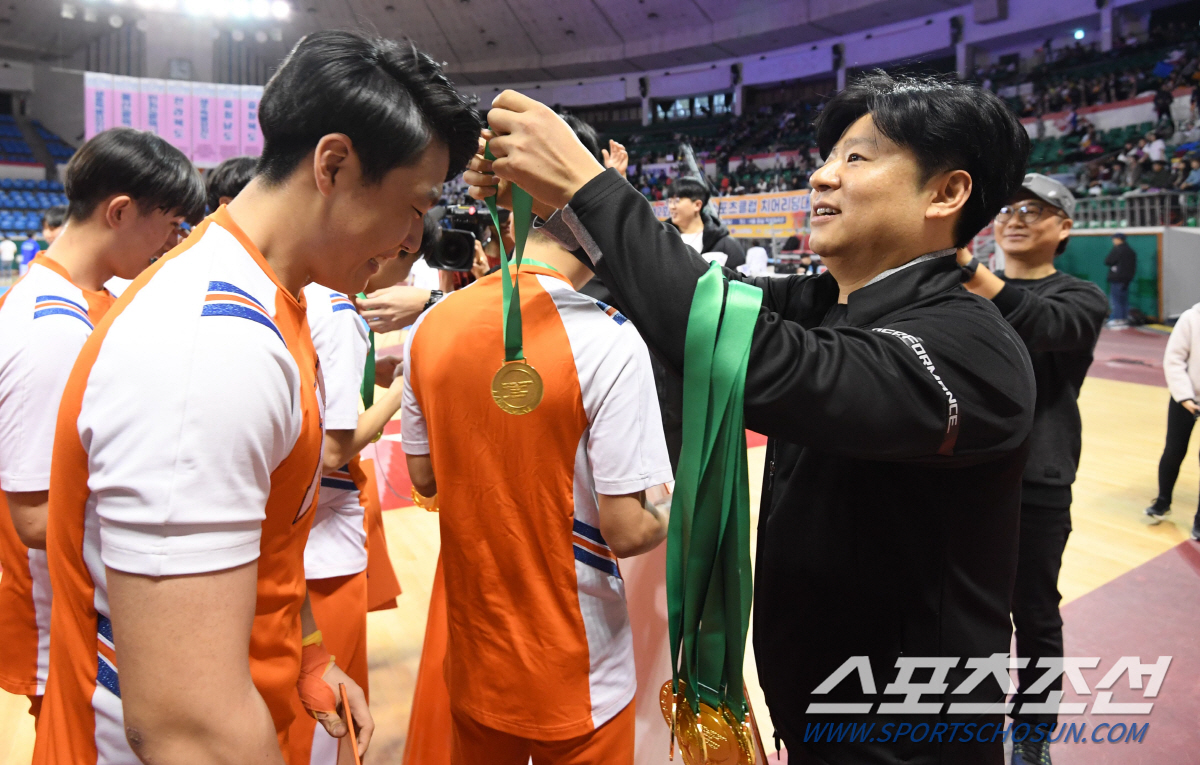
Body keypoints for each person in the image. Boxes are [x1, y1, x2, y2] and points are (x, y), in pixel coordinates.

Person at [469, 71, 1038, 764]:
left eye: (856, 158)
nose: (823, 177)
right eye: (825, 159)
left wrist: (589, 186)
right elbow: (680, 292)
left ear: (947, 192)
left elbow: (745, 349)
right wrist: (555, 207)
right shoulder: (833, 302)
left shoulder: (974, 348)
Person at [33, 31, 480, 765]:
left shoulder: (272, 300)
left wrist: (306, 649)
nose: (412, 237)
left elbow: (271, 536)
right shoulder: (208, 348)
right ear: (333, 165)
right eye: (413, 205)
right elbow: (187, 724)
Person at [401, 133, 674, 762]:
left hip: (476, 660)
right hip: (579, 672)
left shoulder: (430, 325)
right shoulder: (607, 337)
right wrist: (682, 494)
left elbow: (426, 479)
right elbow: (630, 529)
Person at [0, 128, 204, 736]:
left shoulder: (81, 298)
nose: (172, 244)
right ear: (119, 212)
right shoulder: (51, 326)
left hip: (78, 605)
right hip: (58, 613)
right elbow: (35, 518)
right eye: (169, 226)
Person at [958, 174, 1108, 765]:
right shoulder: (963, 294)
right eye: (1009, 208)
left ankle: (1034, 734)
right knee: (968, 609)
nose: (1016, 218)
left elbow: (1041, 324)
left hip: (1037, 481)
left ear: (1064, 228)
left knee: (1035, 615)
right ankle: (968, 722)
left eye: (1036, 210)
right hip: (965, 474)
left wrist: (968, 271)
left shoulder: (1081, 297)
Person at [289, 231, 424, 765]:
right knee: (331, 715)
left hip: (300, 534)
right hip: (323, 545)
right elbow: (330, 451)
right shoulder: (338, 310)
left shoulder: (303, 294)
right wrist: (400, 391)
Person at [1146, 300, 1200, 541]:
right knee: (1173, 451)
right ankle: (1162, 501)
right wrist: (1185, 397)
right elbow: (1174, 360)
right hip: (1185, 399)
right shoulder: (1190, 318)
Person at [666, 176, 745, 269]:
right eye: (669, 201)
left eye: (676, 201)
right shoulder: (662, 240)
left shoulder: (726, 244)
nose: (671, 206)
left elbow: (740, 281)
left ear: (697, 205)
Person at [1104, 232, 1136, 327]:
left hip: (1117, 278)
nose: (1113, 241)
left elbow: (1108, 261)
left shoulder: (1117, 250)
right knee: (1123, 300)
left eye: (1114, 239)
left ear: (1118, 239)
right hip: (1126, 279)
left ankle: (1118, 319)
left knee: (1116, 300)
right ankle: (1124, 318)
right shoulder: (1130, 251)